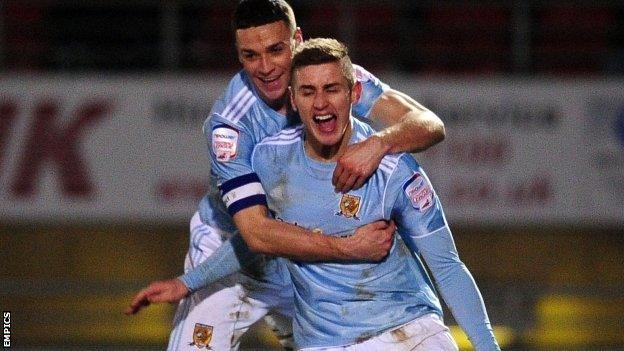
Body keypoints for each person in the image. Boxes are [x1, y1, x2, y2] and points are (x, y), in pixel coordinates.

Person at [129, 38, 500, 351]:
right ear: (293, 99)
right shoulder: (270, 160)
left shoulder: (394, 169)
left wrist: (487, 347)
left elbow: (448, 267)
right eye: (308, 92)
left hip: (407, 333)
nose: (321, 103)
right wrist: (186, 282)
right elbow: (258, 238)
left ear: (353, 93)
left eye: (332, 89)